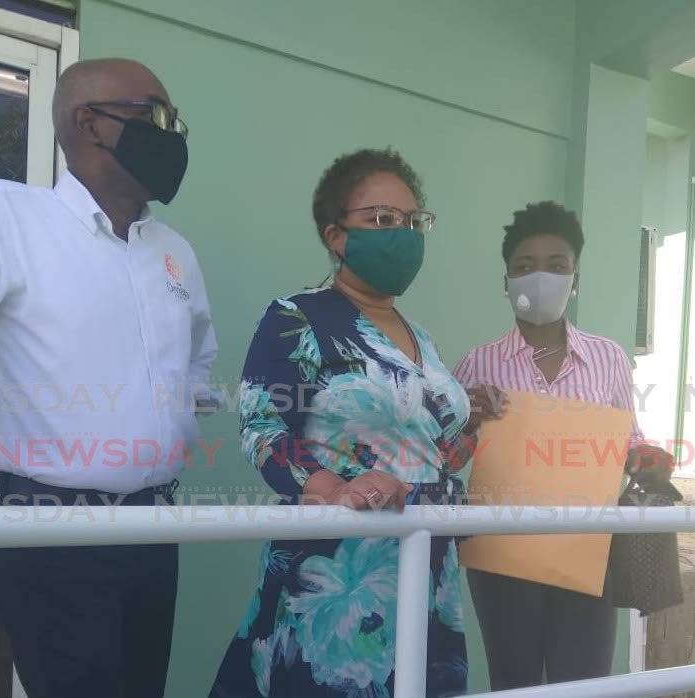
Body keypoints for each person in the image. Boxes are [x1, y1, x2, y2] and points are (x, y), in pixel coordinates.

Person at [0, 58, 218, 698]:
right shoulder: (1, 217)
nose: (172, 133)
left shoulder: (173, 251)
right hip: (53, 524)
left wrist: (157, 420)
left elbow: (199, 360)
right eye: (156, 114)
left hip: (156, 523)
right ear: (88, 123)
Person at [209, 148, 471, 697]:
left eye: (412, 220)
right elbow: (262, 429)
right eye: (380, 219)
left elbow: (431, 445)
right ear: (335, 235)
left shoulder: (420, 336)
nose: (401, 232)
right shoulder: (298, 317)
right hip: (340, 568)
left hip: (428, 561)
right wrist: (336, 488)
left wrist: (477, 435)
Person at [452, 201, 672, 689]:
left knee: (584, 682)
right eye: (524, 267)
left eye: (557, 266)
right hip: (504, 556)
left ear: (576, 278)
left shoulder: (608, 357)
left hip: (586, 549)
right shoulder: (476, 364)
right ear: (505, 280)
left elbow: (628, 440)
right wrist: (467, 420)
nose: (540, 278)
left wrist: (648, 458)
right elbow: (448, 455)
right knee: (515, 680)